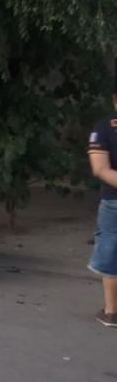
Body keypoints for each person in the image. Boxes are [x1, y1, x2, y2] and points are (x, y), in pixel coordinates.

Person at [87, 93, 117, 327]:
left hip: (113, 201)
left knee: (111, 249)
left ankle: (111, 312)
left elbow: (100, 169)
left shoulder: (104, 127)